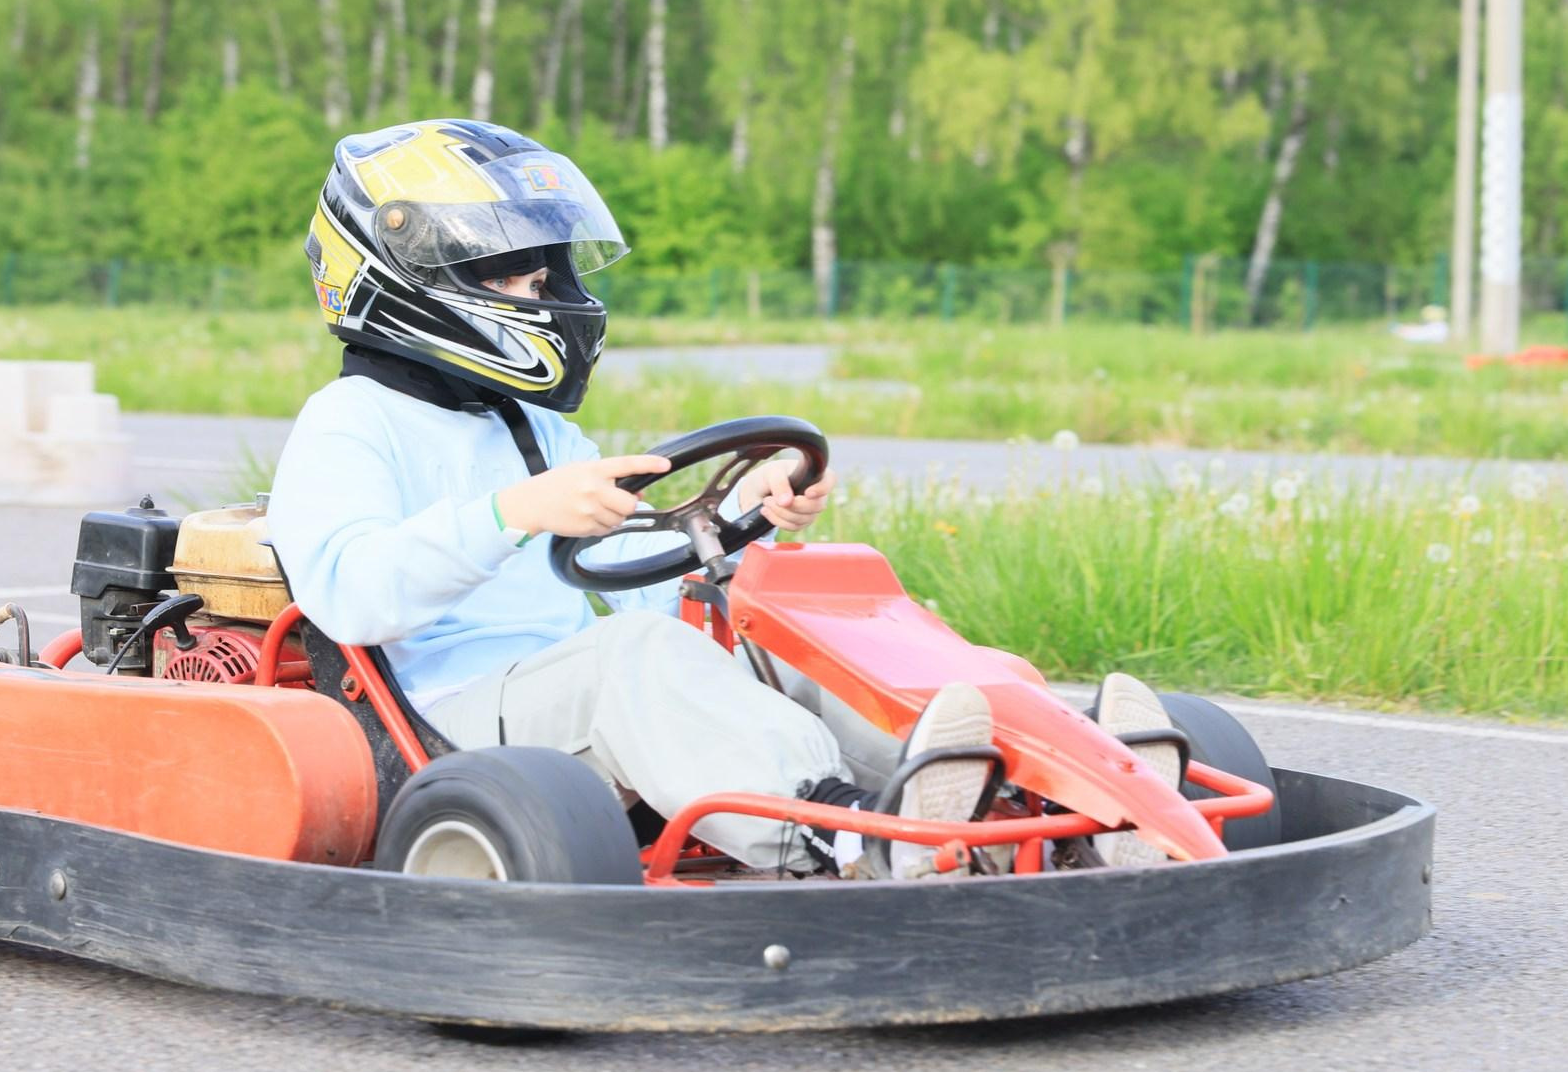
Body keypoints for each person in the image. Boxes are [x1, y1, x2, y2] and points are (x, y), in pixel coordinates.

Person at [266, 118, 1178, 879]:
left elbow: (635, 574)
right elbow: (348, 592)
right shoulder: (348, 424)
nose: (541, 297)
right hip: (456, 716)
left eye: (544, 278)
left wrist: (735, 525)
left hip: (569, 683)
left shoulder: (532, 429)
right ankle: (847, 832)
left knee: (781, 620)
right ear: (410, 281)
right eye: (511, 277)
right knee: (635, 657)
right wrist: (513, 513)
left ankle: (1057, 797)